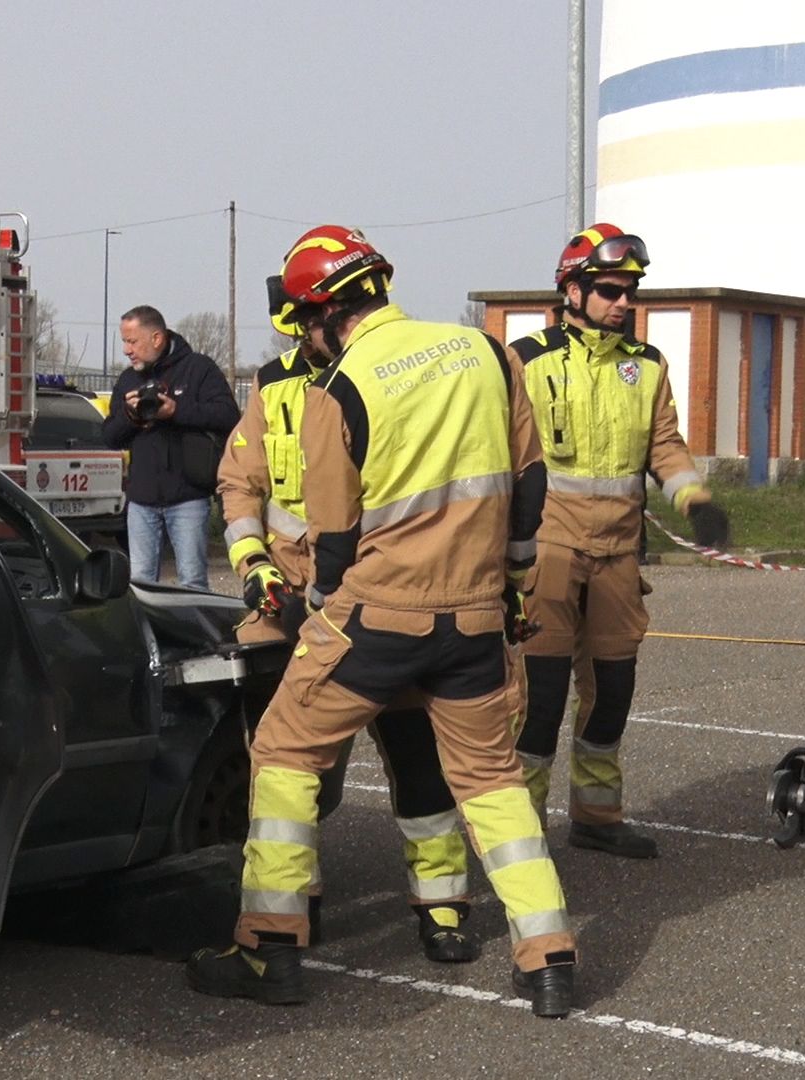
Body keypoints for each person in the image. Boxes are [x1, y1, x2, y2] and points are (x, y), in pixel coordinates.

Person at [186, 226, 576, 1017]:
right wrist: (512, 585)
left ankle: (271, 949)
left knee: (285, 750)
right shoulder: (488, 353)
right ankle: (549, 957)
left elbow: (334, 532)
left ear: (325, 312)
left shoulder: (340, 387)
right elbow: (530, 490)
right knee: (494, 784)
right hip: (473, 619)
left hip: (377, 615)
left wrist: (325, 610)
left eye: (305, 321)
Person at [216, 274, 481, 963]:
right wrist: (254, 567)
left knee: (419, 759)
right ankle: (295, 905)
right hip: (288, 602)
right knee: (284, 765)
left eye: (308, 324)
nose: (303, 339)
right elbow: (239, 485)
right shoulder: (271, 385)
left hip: (376, 596)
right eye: (293, 329)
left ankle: (443, 907)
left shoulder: (383, 373)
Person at [504, 223, 729, 860]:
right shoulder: (526, 360)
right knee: (541, 701)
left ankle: (597, 818)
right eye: (608, 290)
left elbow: (665, 446)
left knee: (612, 693)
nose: (623, 302)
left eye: (630, 290)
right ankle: (520, 834)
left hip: (617, 556)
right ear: (571, 291)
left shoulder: (647, 366)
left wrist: (695, 499)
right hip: (547, 554)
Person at [102, 305, 239, 589]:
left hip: (188, 498)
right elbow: (109, 436)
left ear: (156, 338)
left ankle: (196, 634)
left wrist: (176, 411)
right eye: (124, 342)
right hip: (141, 502)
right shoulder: (128, 380)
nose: (127, 350)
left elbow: (228, 417)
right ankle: (147, 634)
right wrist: (131, 417)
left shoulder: (199, 369)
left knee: (192, 582)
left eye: (132, 341)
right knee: (140, 585)